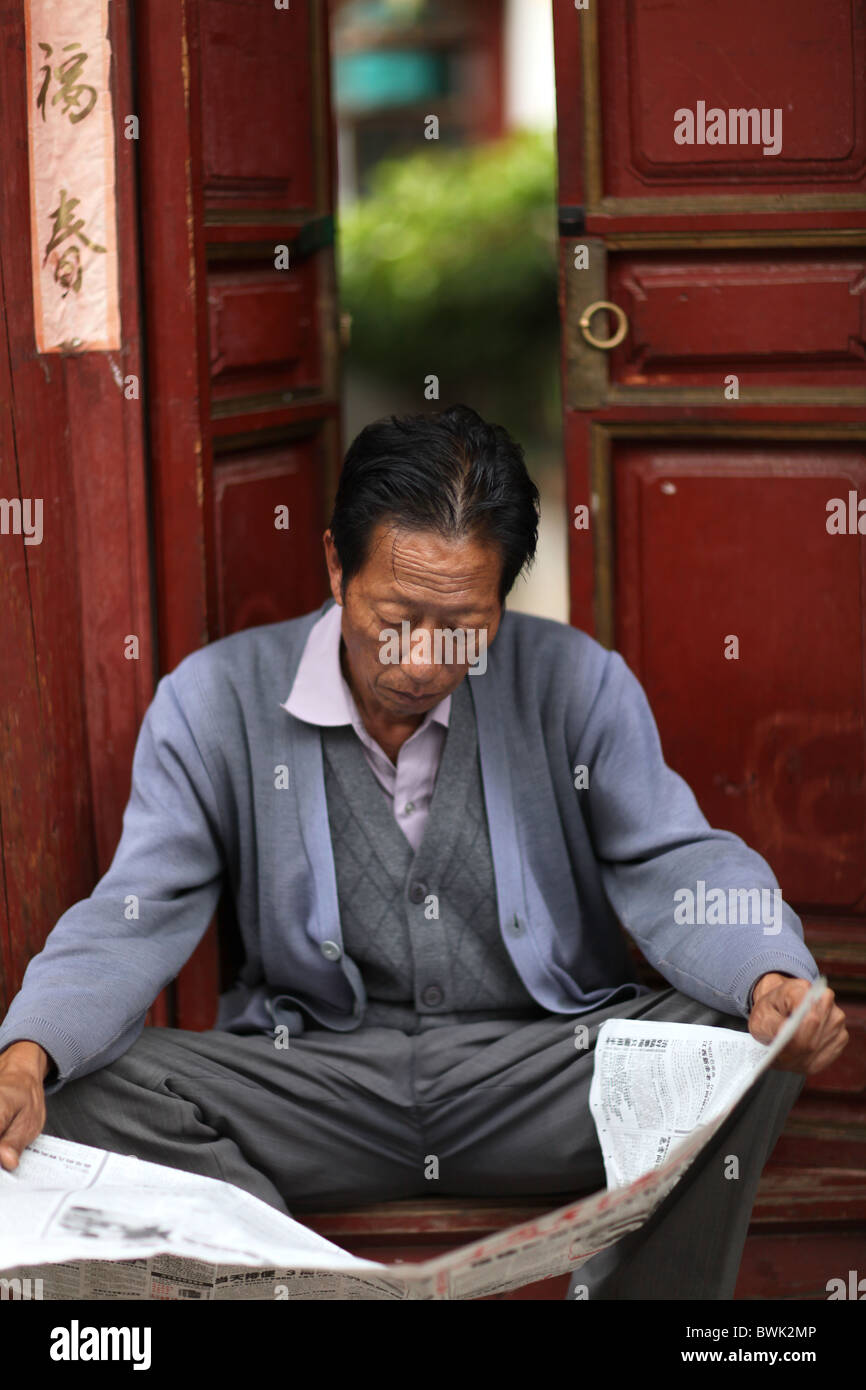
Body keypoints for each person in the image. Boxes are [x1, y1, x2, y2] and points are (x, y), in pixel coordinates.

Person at [0, 404, 848, 1299]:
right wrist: (28, 1052)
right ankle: (298, 1290)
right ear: (335, 562)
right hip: (315, 1081)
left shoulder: (574, 681)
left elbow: (676, 862)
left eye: (464, 625)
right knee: (86, 1088)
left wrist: (768, 980)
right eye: (395, 616)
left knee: (739, 1041)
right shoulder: (214, 700)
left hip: (540, 1072)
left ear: (503, 600)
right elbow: (137, 910)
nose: (422, 658)